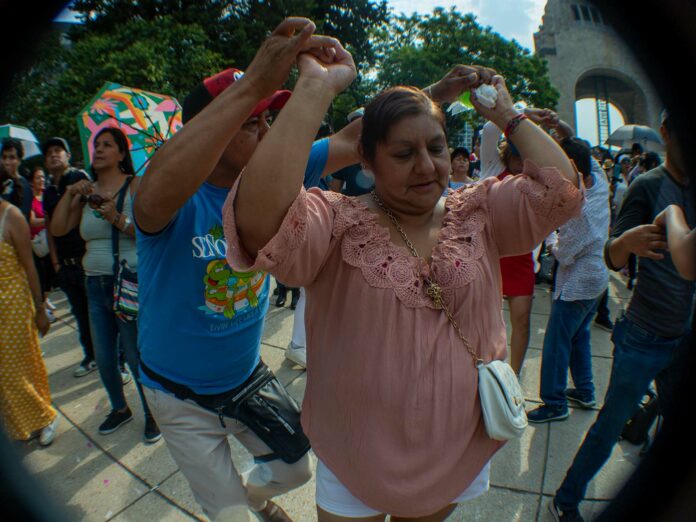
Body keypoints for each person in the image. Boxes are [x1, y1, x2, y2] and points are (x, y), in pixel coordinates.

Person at [225, 32, 583, 518]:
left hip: (457, 446)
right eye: (401, 154)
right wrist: (314, 88)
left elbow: (561, 194)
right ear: (366, 162)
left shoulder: (480, 208)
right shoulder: (335, 222)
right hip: (354, 454)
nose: (426, 167)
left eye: (435, 148)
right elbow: (258, 221)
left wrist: (506, 115)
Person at [131, 19, 368, 521]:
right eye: (252, 121)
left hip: (245, 378)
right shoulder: (173, 194)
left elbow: (354, 139)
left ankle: (250, 497)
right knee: (231, 517)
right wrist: (255, 83)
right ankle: (238, 505)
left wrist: (434, 94)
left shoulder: (272, 175)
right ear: (212, 125)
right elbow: (148, 201)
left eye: (268, 120)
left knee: (295, 471)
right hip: (177, 393)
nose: (267, 132)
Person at [550, 110, 694, 522]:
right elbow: (611, 257)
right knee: (609, 424)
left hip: (683, 333)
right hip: (643, 336)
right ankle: (567, 498)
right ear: (666, 132)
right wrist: (627, 242)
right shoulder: (649, 186)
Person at [50, 127, 159, 443]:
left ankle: (152, 414)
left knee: (135, 356)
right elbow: (58, 229)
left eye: (107, 145)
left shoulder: (135, 186)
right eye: (96, 145)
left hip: (127, 282)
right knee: (104, 355)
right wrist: (71, 194)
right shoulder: (85, 192)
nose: (97, 150)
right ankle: (119, 408)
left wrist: (115, 216)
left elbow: (149, 233)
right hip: (94, 284)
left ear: (122, 154)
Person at [527, 137, 610, 423]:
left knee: (556, 343)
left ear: (572, 167)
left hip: (577, 284)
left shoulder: (580, 211)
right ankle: (586, 390)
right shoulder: (598, 183)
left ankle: (554, 402)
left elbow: (564, 255)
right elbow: (593, 163)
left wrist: (550, 237)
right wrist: (560, 130)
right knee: (579, 337)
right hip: (596, 284)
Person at [478, 107, 560, 375]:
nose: (519, 159)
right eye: (515, 151)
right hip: (488, 257)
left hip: (522, 260)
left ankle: (513, 375)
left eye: (524, 153)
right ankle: (484, 370)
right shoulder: (492, 166)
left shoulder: (536, 178)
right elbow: (490, 129)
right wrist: (521, 114)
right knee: (484, 321)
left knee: (521, 321)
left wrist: (553, 246)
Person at [0, 165, 58, 447]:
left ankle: (45, 417)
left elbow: (30, 266)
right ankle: (21, 425)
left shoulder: (11, 216)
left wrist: (40, 307)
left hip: (14, 305)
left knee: (16, 369)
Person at [42, 137, 96, 377]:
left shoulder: (78, 178)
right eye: (50, 152)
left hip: (85, 260)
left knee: (98, 314)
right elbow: (49, 227)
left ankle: (117, 361)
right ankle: (90, 357)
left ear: (67, 155)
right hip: (65, 266)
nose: (54, 155)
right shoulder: (47, 191)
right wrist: (55, 263)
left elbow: (83, 213)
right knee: (80, 314)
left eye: (58, 151)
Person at [28, 166, 56, 323]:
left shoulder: (47, 195)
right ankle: (43, 306)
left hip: (49, 241)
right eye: (38, 177)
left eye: (43, 177)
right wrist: (47, 220)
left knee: (50, 275)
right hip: (38, 244)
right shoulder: (30, 200)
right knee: (42, 276)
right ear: (32, 182)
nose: (42, 180)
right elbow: (31, 222)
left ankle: (45, 301)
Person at [1, 138, 32, 220]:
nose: (7, 162)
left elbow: (22, 220)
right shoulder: (2, 182)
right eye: (4, 157)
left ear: (19, 160)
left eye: (12, 158)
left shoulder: (25, 186)